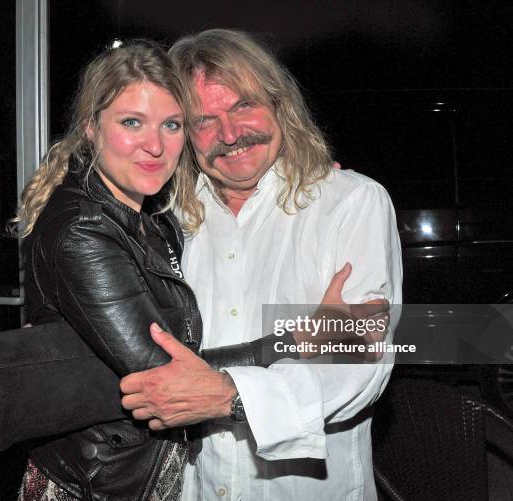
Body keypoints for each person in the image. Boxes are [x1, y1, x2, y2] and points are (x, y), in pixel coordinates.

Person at [10, 39, 373, 501]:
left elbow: (370, 359)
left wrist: (321, 185)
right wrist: (296, 338)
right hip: (105, 481)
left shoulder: (164, 217)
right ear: (90, 129)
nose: (155, 144)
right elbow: (166, 376)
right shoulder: (84, 230)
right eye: (131, 122)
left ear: (280, 107)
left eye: (173, 124)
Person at [119, 29, 403, 501]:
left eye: (243, 106)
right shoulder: (170, 221)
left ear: (280, 105)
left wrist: (227, 395)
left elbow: (360, 363)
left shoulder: (350, 203)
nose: (229, 135)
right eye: (203, 120)